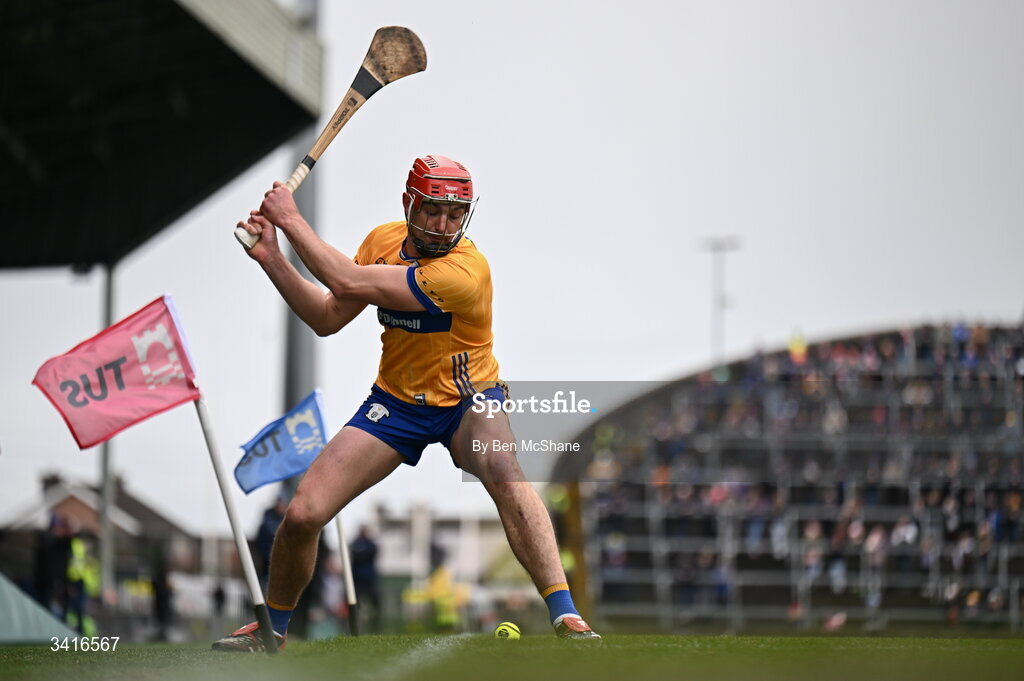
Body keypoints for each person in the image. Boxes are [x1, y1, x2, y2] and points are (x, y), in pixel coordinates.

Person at [213, 156, 599, 651]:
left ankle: (567, 616)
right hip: (395, 404)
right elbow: (329, 315)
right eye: (434, 210)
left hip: (468, 398)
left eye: (456, 214)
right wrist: (272, 257)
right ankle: (273, 631)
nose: (444, 225)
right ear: (408, 204)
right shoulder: (382, 242)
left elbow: (348, 282)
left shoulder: (465, 271)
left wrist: (289, 219)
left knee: (503, 467)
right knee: (304, 513)